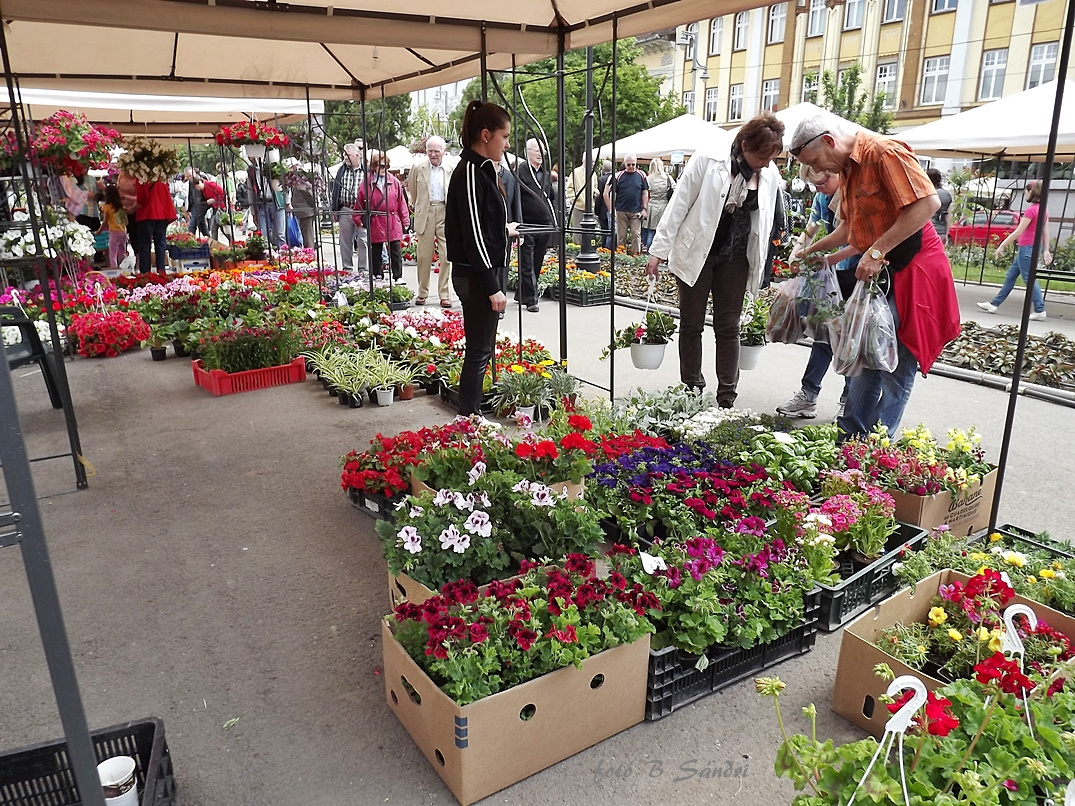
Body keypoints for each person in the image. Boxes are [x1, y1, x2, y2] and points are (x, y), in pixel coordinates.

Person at [792, 113, 961, 438]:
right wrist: (818, 254)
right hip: (883, 271)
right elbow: (850, 230)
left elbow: (926, 205)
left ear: (828, 141)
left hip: (917, 270)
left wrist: (875, 251)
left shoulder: (884, 152)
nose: (819, 171)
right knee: (866, 352)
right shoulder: (848, 171)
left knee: (895, 363)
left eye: (815, 161)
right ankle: (850, 441)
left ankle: (877, 446)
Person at [645, 113, 785, 408]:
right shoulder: (708, 159)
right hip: (697, 252)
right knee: (691, 323)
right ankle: (692, 389)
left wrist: (764, 266)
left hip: (736, 259)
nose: (766, 164)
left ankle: (726, 396)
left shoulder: (769, 174)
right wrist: (658, 251)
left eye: (771, 158)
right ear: (745, 144)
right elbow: (679, 203)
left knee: (728, 327)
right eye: (762, 156)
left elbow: (768, 221)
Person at [445, 100, 518, 416]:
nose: (506, 144)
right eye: (504, 136)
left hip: (482, 271)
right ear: (486, 135)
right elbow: (473, 233)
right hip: (478, 275)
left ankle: (470, 417)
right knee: (478, 351)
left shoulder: (481, 170)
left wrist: (504, 230)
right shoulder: (473, 171)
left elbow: (480, 224)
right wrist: (492, 286)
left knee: (481, 350)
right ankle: (469, 418)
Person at [777, 165, 857, 419]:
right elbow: (811, 228)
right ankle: (808, 394)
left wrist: (817, 256)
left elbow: (856, 239)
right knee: (823, 335)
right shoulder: (824, 197)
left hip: (857, 275)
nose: (819, 189)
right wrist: (797, 250)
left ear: (836, 175)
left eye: (822, 183)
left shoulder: (854, 195)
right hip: (834, 275)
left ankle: (849, 400)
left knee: (850, 339)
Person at [976, 180, 1052, 321]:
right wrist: (1046, 250)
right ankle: (994, 304)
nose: (1025, 195)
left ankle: (1040, 309)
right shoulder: (1043, 210)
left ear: (1032, 192)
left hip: (1027, 248)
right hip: (1033, 247)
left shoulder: (1031, 210)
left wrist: (1002, 245)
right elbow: (1046, 231)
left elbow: (1018, 231)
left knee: (1029, 278)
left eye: (1026, 192)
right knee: (1011, 275)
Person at [407, 135, 455, 307]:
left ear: (444, 151)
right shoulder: (418, 167)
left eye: (436, 151)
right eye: (430, 151)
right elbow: (412, 189)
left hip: (445, 211)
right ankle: (422, 292)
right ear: (425, 151)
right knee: (423, 256)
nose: (433, 154)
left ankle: (445, 294)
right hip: (425, 213)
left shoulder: (451, 167)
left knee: (447, 255)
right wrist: (418, 206)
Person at [515, 138, 557, 313]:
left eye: (542, 151)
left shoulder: (546, 174)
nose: (540, 154)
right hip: (527, 224)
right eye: (536, 150)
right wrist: (519, 226)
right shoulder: (520, 171)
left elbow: (551, 198)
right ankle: (531, 299)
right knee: (527, 263)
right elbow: (515, 200)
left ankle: (521, 293)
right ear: (527, 152)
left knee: (537, 261)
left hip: (544, 224)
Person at [355, 150, 410, 281]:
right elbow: (359, 202)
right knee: (376, 250)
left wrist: (405, 220)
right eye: (380, 165)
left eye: (386, 166)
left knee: (395, 249)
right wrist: (358, 219)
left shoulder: (394, 182)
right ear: (374, 167)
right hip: (376, 219)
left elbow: (401, 202)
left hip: (392, 218)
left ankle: (398, 276)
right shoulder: (366, 184)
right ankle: (377, 274)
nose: (383, 169)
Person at [330, 142, 368, 273]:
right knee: (345, 241)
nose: (345, 158)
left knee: (363, 240)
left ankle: (363, 268)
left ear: (357, 155)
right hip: (345, 209)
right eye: (344, 155)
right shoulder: (342, 170)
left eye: (348, 155)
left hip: (362, 210)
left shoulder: (366, 170)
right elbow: (335, 190)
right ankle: (347, 268)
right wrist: (334, 209)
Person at [604, 154, 649, 256]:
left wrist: (645, 208)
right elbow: (613, 193)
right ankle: (621, 255)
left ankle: (636, 256)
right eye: (629, 165)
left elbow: (645, 192)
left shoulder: (641, 175)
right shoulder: (619, 176)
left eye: (633, 164)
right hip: (621, 210)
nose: (631, 167)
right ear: (625, 164)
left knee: (636, 234)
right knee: (621, 236)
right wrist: (612, 208)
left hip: (636, 210)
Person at [134, 176, 177, 274]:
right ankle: (161, 271)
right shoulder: (162, 177)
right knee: (160, 244)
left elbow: (142, 198)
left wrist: (133, 207)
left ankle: (145, 273)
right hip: (162, 214)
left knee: (145, 245)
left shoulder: (141, 176)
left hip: (146, 214)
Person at [642, 158, 675, 252]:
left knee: (651, 232)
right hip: (664, 205)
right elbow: (675, 189)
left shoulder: (648, 179)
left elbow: (643, 192)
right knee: (662, 232)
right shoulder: (667, 177)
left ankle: (649, 252)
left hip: (651, 206)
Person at [97, 184, 128, 269]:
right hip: (123, 231)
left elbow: (105, 222)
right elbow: (126, 221)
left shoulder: (107, 207)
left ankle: (114, 271)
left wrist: (99, 231)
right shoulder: (121, 207)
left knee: (112, 253)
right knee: (122, 252)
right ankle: (123, 268)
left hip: (114, 232)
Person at [289, 172, 318, 252]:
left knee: (308, 237)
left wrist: (314, 205)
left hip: (305, 212)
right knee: (307, 236)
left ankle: (310, 254)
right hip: (303, 211)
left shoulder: (300, 180)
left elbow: (308, 195)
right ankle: (309, 253)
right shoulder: (297, 179)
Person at [927, 168, 952, 242]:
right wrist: (946, 234)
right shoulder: (947, 195)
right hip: (941, 232)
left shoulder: (928, 194)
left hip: (928, 232)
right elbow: (948, 218)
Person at [198, 176, 225, 241]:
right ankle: (214, 243)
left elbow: (222, 192)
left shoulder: (210, 184)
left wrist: (214, 199)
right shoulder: (204, 189)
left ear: (200, 182)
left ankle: (232, 241)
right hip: (215, 208)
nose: (198, 189)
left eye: (198, 186)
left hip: (221, 207)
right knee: (214, 227)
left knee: (222, 227)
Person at [594, 159, 613, 249]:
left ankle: (604, 248)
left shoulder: (601, 180)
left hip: (603, 209)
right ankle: (610, 248)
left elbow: (599, 197)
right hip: (613, 208)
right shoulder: (615, 178)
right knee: (612, 230)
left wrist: (596, 211)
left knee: (604, 230)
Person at [185, 168, 208, 236]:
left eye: (189, 176)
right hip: (194, 205)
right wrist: (189, 208)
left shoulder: (199, 179)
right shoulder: (190, 181)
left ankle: (190, 238)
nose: (188, 178)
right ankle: (208, 240)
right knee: (202, 225)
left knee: (193, 224)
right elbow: (190, 194)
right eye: (187, 176)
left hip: (200, 204)